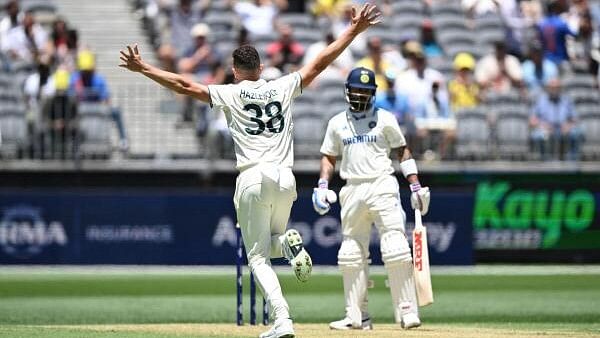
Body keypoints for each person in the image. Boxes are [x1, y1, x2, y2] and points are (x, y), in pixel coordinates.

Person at [119, 4, 381, 338]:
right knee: (269, 245)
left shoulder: (229, 92)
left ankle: (283, 320)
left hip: (252, 177)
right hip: (286, 178)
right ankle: (286, 245)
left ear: (235, 69)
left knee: (257, 257)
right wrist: (353, 31)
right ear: (260, 67)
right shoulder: (282, 86)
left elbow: (184, 85)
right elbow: (319, 62)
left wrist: (143, 68)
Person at [313, 67, 430, 331]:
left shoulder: (386, 119)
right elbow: (328, 157)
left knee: (395, 247)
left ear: (373, 94)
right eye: (356, 90)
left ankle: (407, 310)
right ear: (347, 91)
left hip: (382, 185)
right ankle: (357, 316)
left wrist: (415, 185)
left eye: (365, 92)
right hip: (352, 188)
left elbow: (402, 151)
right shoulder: (336, 123)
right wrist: (322, 185)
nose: (360, 96)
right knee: (350, 253)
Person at [530, 78, 582, 160]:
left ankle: (571, 164)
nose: (554, 90)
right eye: (552, 87)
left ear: (560, 88)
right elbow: (532, 120)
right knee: (537, 136)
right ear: (548, 88)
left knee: (576, 133)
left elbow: (575, 119)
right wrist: (542, 125)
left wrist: (568, 125)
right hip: (545, 129)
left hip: (563, 129)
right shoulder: (541, 100)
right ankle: (544, 163)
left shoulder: (566, 100)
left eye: (557, 87)